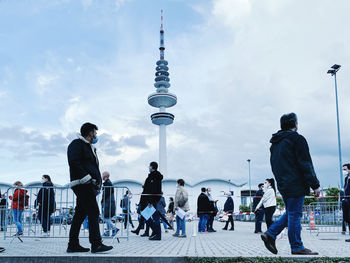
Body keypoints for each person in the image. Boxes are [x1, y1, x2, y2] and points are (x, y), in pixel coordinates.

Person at [261, 113, 320, 255]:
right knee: (295, 214)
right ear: (295, 123)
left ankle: (271, 234)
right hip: (296, 183)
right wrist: (315, 184)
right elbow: (305, 163)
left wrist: (280, 182)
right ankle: (296, 246)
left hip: (283, 184)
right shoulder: (297, 139)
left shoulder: (275, 143)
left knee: (291, 213)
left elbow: (274, 165)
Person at [67, 122, 112, 253]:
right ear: (90, 133)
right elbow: (73, 162)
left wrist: (96, 182)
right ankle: (96, 244)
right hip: (82, 183)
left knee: (80, 214)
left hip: (88, 184)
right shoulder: (77, 144)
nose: (96, 135)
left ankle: (73, 244)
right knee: (93, 212)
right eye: (95, 132)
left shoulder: (89, 147)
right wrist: (87, 177)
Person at [142, 161, 163, 241]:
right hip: (152, 199)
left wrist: (150, 201)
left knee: (155, 217)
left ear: (152, 167)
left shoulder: (154, 176)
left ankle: (157, 234)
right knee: (146, 215)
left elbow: (153, 189)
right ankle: (155, 232)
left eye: (149, 166)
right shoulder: (154, 176)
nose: (148, 167)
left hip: (152, 200)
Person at [101, 171, 118, 237]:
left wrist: (102, 201)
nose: (101, 176)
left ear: (105, 176)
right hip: (109, 203)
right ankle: (108, 232)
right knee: (107, 217)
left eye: (102, 175)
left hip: (107, 203)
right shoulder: (108, 183)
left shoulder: (107, 183)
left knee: (105, 218)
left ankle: (114, 228)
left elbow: (106, 194)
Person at [342, 164, 350, 241]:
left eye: (345, 169)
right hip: (346, 199)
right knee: (347, 218)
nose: (344, 171)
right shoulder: (346, 178)